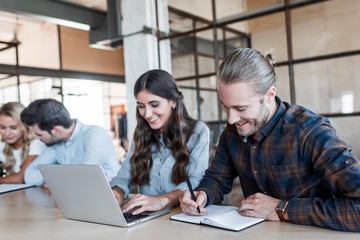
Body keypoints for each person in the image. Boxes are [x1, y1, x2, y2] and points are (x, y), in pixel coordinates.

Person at [179, 48, 360, 232]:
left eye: (240, 108)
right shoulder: (233, 132)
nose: (231, 119)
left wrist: (282, 209)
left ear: (269, 95)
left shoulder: (309, 132)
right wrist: (203, 195)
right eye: (226, 107)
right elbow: (217, 179)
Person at [110, 69, 210, 215]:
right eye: (141, 106)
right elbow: (124, 176)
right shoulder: (140, 134)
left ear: (173, 102)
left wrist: (162, 200)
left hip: (183, 217)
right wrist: (117, 192)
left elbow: (196, 181)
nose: (147, 114)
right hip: (149, 219)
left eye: (154, 105)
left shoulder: (198, 132)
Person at [20, 99, 120, 186]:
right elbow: (29, 175)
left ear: (57, 130)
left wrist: (52, 178)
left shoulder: (95, 135)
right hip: (76, 199)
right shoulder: (55, 143)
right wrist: (62, 178)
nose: (36, 138)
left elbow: (84, 179)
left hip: (110, 200)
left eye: (39, 134)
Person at [0, 102, 45, 184]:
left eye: (13, 128)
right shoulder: (2, 144)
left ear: (25, 126)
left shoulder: (37, 143)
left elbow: (20, 178)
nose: (7, 133)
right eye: (2, 127)